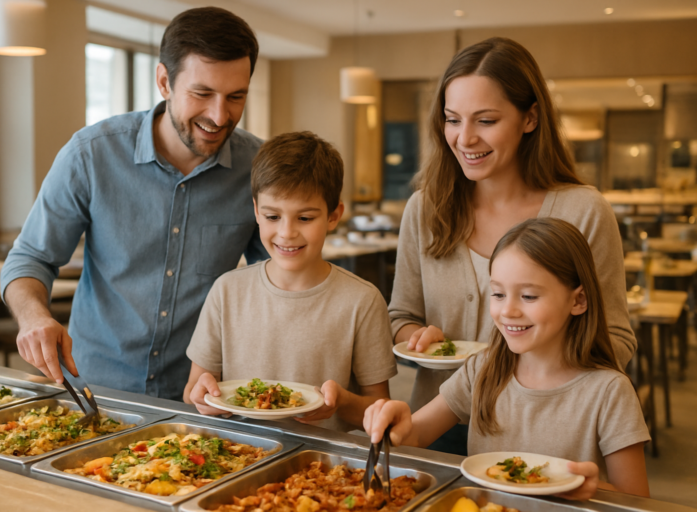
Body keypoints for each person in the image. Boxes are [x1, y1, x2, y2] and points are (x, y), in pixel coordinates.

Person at [0, 7, 267, 400]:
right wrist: (34, 317)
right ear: (164, 81)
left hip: (205, 396)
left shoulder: (259, 168)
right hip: (95, 392)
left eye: (235, 97)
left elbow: (277, 277)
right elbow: (30, 258)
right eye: (202, 93)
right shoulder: (91, 154)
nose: (218, 115)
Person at [388, 37, 636, 453]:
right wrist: (419, 337)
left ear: (530, 118)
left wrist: (535, 364)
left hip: (538, 430)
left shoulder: (584, 211)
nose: (465, 138)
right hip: (434, 421)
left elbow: (616, 340)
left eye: (485, 120)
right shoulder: (425, 209)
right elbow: (401, 316)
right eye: (452, 120)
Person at [366, 218, 650, 500]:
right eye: (498, 294)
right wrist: (394, 423)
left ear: (578, 301)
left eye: (529, 296)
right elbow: (415, 435)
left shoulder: (610, 392)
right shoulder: (482, 369)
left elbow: (637, 499)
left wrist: (593, 489)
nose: (507, 311)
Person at [184, 131, 397, 431]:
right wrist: (202, 397)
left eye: (305, 218)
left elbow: (379, 409)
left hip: (320, 456)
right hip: (238, 448)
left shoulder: (362, 301)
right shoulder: (227, 291)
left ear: (333, 216)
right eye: (273, 217)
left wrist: (341, 402)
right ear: (256, 211)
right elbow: (192, 390)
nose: (286, 233)